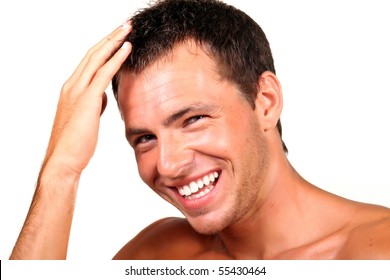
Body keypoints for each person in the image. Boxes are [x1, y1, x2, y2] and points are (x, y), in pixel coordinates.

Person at [10, 0, 390, 260]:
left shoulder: (375, 252)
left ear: (265, 102)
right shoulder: (160, 254)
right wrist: (60, 172)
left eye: (192, 120)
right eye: (145, 138)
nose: (169, 165)